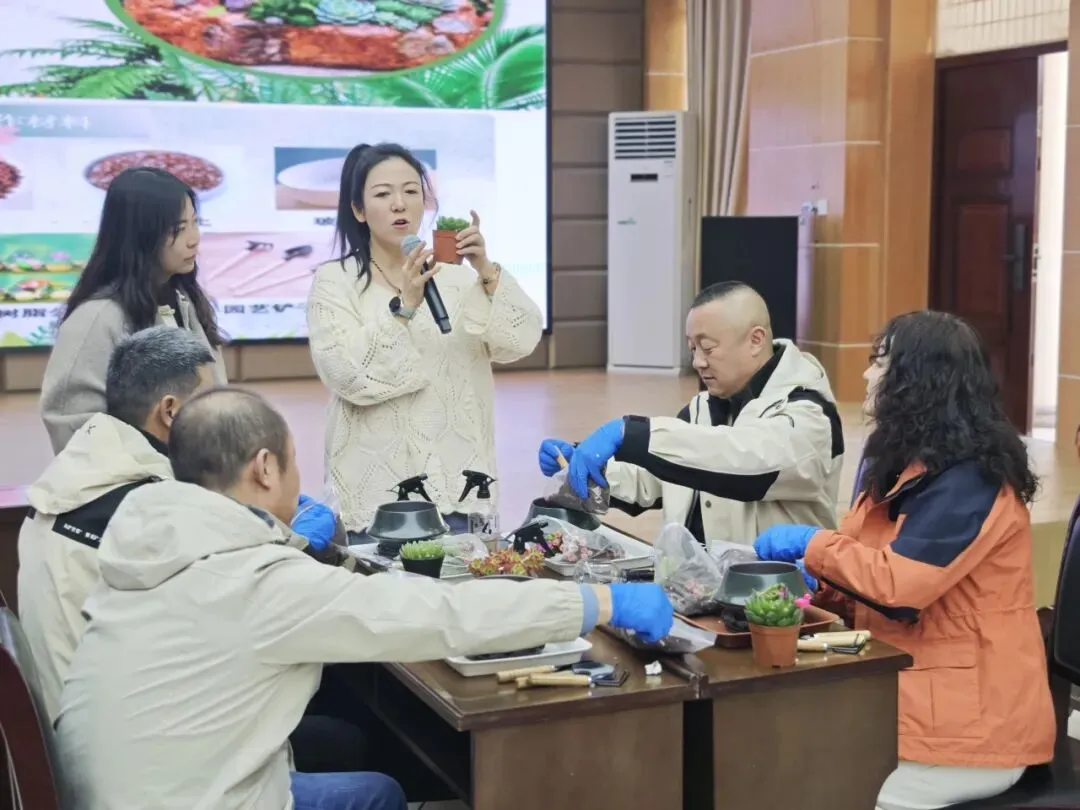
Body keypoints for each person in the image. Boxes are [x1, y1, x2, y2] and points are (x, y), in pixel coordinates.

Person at [55, 387, 673, 810]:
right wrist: (600, 604)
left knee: (350, 739)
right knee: (377, 793)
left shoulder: (152, 542)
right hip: (191, 796)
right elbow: (442, 615)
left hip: (120, 786)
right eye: (294, 463)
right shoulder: (259, 582)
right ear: (265, 468)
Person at [752, 311, 1055, 810]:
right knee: (773, 751)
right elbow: (865, 566)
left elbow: (898, 588)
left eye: (880, 362)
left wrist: (813, 544)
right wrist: (816, 585)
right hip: (919, 697)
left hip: (972, 731)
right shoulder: (907, 463)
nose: (867, 374)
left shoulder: (971, 480)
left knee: (815, 788)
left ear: (919, 380)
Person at [307, 142, 543, 539]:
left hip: (463, 489)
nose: (399, 204)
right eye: (383, 194)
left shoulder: (459, 278)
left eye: (411, 191)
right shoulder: (335, 281)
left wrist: (486, 270)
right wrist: (404, 308)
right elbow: (344, 373)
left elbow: (520, 340)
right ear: (358, 210)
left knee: (476, 579)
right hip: (379, 498)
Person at [539, 282, 844, 546]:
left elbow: (745, 461)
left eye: (708, 348)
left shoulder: (808, 413)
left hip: (777, 592)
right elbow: (654, 480)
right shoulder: (703, 408)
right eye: (692, 348)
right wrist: (584, 465)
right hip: (695, 585)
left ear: (755, 340)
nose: (698, 362)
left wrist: (634, 434)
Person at [17, 326, 216, 722]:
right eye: (211, 405)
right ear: (170, 411)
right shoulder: (148, 505)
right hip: (119, 738)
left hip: (76, 722)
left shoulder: (82, 470)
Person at [40, 166, 228, 455]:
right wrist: (154, 468)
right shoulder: (97, 317)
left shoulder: (184, 300)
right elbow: (71, 424)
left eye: (195, 223)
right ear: (140, 236)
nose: (194, 238)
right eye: (178, 229)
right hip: (138, 480)